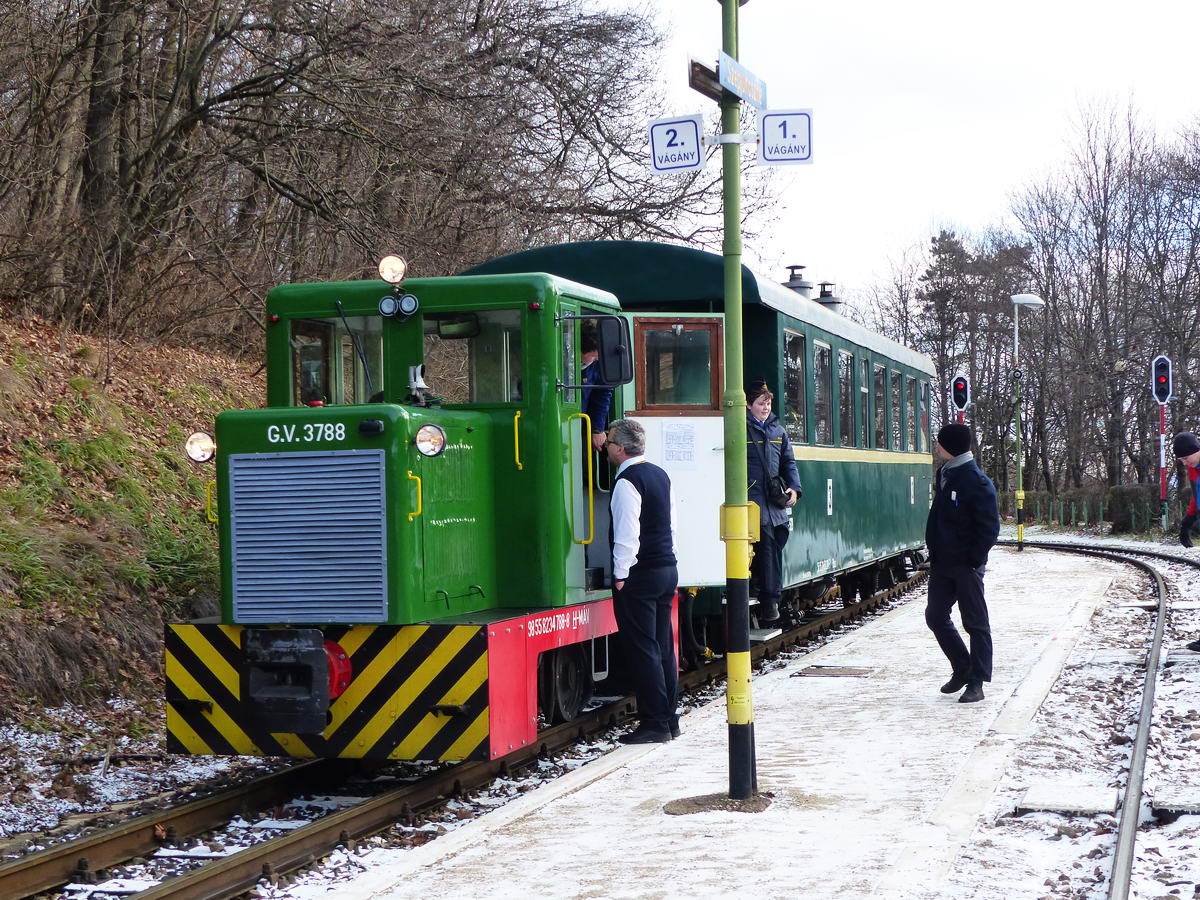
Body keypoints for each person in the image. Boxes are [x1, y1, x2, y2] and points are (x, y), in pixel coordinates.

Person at [606, 417, 679, 744]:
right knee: (663, 648)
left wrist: (621, 575)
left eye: (608, 443)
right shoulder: (660, 475)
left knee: (644, 649)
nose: (605, 447)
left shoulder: (627, 481)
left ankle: (654, 724)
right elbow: (672, 526)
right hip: (666, 569)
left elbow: (626, 536)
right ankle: (669, 719)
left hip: (641, 574)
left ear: (620, 448)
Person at [924, 423, 1000, 703]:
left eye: (939, 443)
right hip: (943, 562)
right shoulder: (946, 472)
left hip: (966, 565)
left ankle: (977, 682)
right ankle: (962, 667)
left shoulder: (976, 481)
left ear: (948, 447)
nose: (936, 446)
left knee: (976, 623)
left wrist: (973, 560)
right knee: (935, 616)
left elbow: (990, 529)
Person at [745, 383, 801, 625]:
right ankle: (770, 601)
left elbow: (789, 462)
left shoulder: (778, 431)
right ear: (748, 405)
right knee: (766, 548)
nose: (765, 408)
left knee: (775, 544)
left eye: (768, 403)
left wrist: (794, 488)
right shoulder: (742, 429)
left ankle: (765, 594)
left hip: (774, 504)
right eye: (760, 403)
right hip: (753, 501)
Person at [1173, 432, 1200, 651]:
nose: (1184, 463)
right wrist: (1189, 519)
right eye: (1181, 460)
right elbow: (1196, 496)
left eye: (1185, 458)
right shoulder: (1193, 470)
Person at [581, 325, 613, 453]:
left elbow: (602, 394)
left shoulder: (597, 366)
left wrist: (597, 429)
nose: (598, 358)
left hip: (581, 422)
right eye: (594, 355)